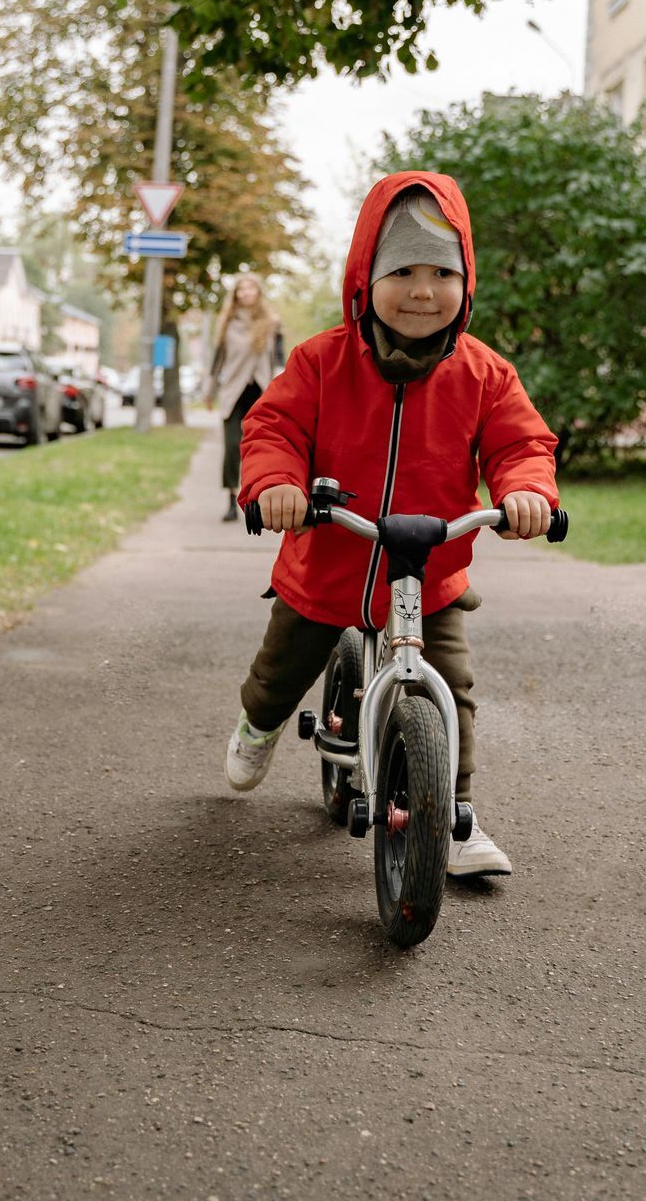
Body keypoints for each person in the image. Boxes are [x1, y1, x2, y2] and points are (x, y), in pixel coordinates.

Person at [224, 172, 560, 878]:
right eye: (401, 270)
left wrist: (526, 491)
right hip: (329, 564)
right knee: (280, 671)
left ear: (465, 283)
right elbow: (273, 426)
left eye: (442, 272)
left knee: (452, 689)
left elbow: (520, 445)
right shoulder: (321, 363)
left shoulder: (485, 375)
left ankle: (455, 818)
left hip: (428, 572)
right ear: (364, 278)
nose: (421, 290)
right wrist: (277, 483)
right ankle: (259, 726)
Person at [205, 275, 283, 522]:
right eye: (241, 289)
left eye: (251, 288)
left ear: (258, 292)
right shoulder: (227, 324)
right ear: (236, 295)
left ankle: (257, 501)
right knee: (231, 447)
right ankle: (230, 499)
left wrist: (283, 388)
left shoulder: (271, 322)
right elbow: (217, 361)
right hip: (233, 393)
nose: (246, 292)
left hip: (261, 392)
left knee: (261, 449)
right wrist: (210, 391)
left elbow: (279, 358)